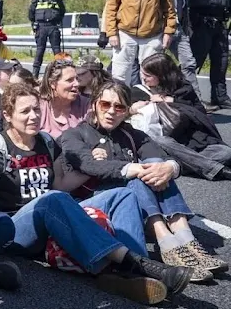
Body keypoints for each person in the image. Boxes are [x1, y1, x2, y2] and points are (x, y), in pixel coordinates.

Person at [0, 83, 192, 304]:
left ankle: (130, 271)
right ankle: (137, 264)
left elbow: (60, 186)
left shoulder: (46, 142)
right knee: (50, 200)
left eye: (37, 109)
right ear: (7, 115)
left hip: (52, 215)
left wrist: (94, 164)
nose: (34, 116)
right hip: (14, 230)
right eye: (25, 111)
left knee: (122, 195)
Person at [60, 81, 227, 282]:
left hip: (132, 200)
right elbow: (88, 164)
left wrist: (170, 168)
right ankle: (167, 242)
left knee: (157, 167)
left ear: (126, 111)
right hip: (96, 202)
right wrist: (132, 168)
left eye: (119, 107)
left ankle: (185, 237)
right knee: (137, 177)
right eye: (105, 104)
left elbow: (160, 154)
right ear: (94, 104)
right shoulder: (75, 134)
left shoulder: (131, 133)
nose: (111, 111)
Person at [104, 0, 176, 86]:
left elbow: (169, 8)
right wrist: (111, 33)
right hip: (125, 32)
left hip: (152, 34)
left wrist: (169, 32)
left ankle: (150, 100)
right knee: (119, 75)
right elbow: (112, 4)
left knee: (152, 76)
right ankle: (120, 99)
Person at [183, 0, 231, 109]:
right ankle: (184, 95)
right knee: (193, 62)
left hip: (220, 25)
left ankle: (219, 97)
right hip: (201, 25)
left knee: (221, 63)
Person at [164, 0, 202, 98]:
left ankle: (195, 100)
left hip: (179, 28)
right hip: (161, 28)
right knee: (153, 64)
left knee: (189, 64)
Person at [28, 0, 65, 78]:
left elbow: (62, 12)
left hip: (53, 26)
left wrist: (57, 21)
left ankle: (61, 72)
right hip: (41, 27)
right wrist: (34, 25)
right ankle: (35, 75)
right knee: (40, 51)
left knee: (57, 50)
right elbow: (31, 14)